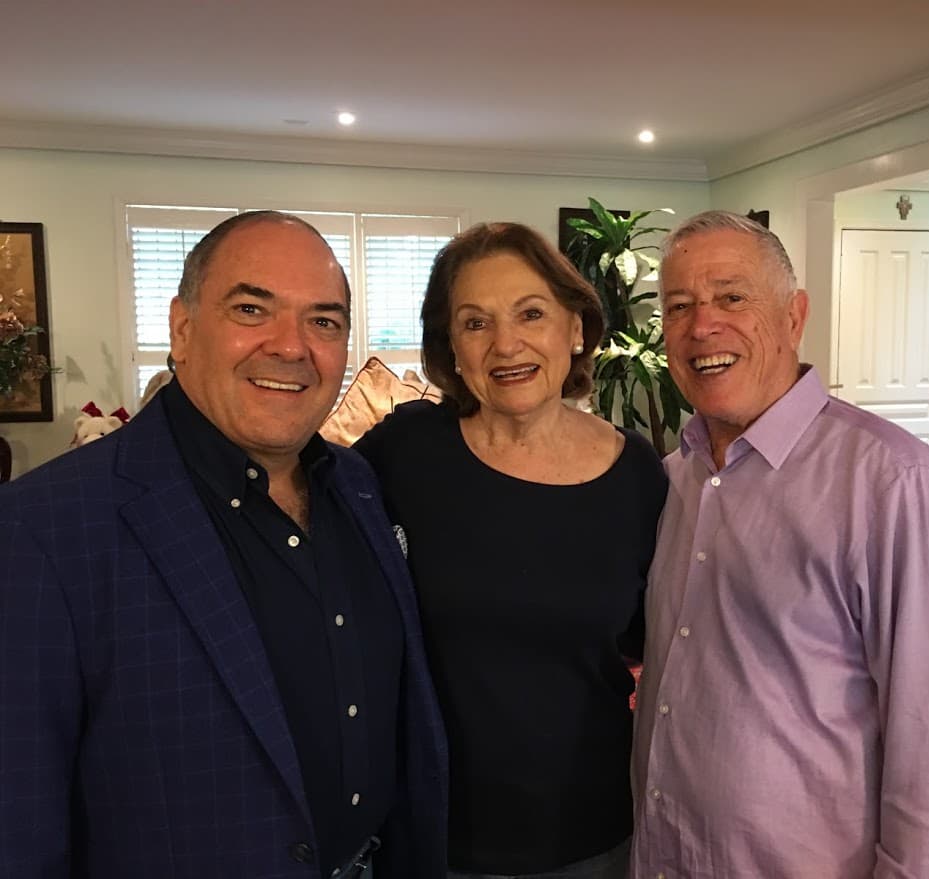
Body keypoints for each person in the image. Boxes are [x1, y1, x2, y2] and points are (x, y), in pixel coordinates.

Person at [0, 211, 447, 878]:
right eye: (250, 308)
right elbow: (19, 828)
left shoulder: (355, 484)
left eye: (323, 320)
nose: (291, 346)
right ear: (181, 329)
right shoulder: (46, 528)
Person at [630, 211, 929, 878]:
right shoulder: (672, 477)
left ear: (794, 316)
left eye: (731, 297)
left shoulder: (889, 479)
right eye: (679, 305)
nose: (701, 324)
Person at [354, 222, 666, 879]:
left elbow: (657, 638)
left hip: (593, 836)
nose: (506, 344)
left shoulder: (637, 473)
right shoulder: (403, 454)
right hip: (434, 836)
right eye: (475, 322)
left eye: (531, 313)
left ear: (575, 329)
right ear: (450, 347)